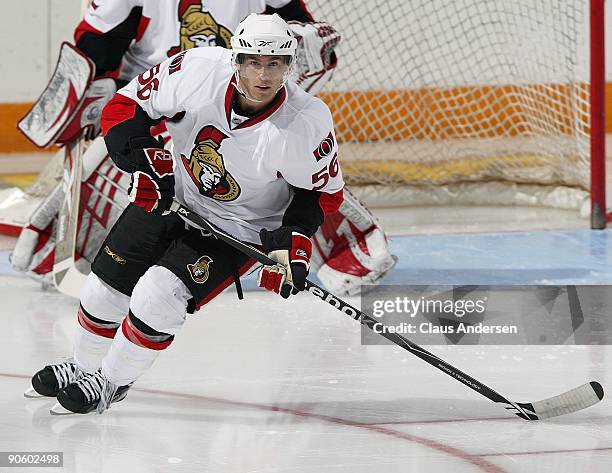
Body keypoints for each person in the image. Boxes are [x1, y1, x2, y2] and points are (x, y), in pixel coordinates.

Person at [26, 13, 345, 415]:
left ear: (288, 65)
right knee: (102, 288)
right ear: (236, 60)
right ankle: (81, 365)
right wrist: (144, 161)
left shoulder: (306, 122)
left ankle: (109, 382)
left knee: (158, 296)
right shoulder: (197, 69)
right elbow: (125, 107)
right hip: (176, 195)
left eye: (274, 64)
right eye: (253, 62)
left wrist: (294, 238)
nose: (262, 74)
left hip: (241, 228)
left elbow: (322, 193)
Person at [12, 0, 395, 298]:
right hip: (161, 110)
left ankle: (319, 251)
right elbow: (98, 49)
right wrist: (99, 100)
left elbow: (294, 21)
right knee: (129, 226)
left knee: (282, 175)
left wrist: (305, 38)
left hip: (239, 99)